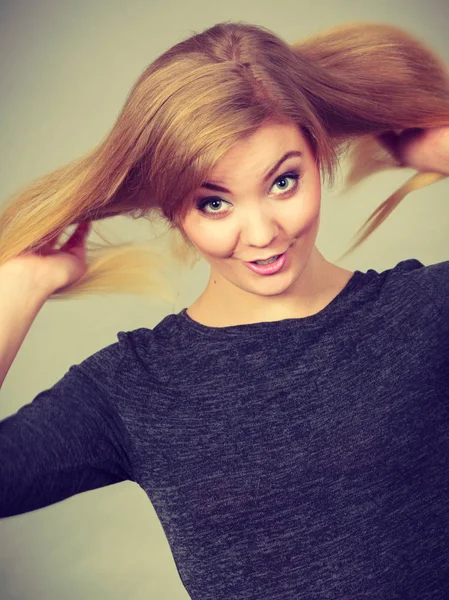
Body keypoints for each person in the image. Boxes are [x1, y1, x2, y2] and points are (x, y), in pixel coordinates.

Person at [1, 20, 449, 600]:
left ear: (320, 157)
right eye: (214, 202)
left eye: (283, 181)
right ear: (172, 210)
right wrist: (22, 287)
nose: (261, 231)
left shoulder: (424, 313)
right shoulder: (135, 388)